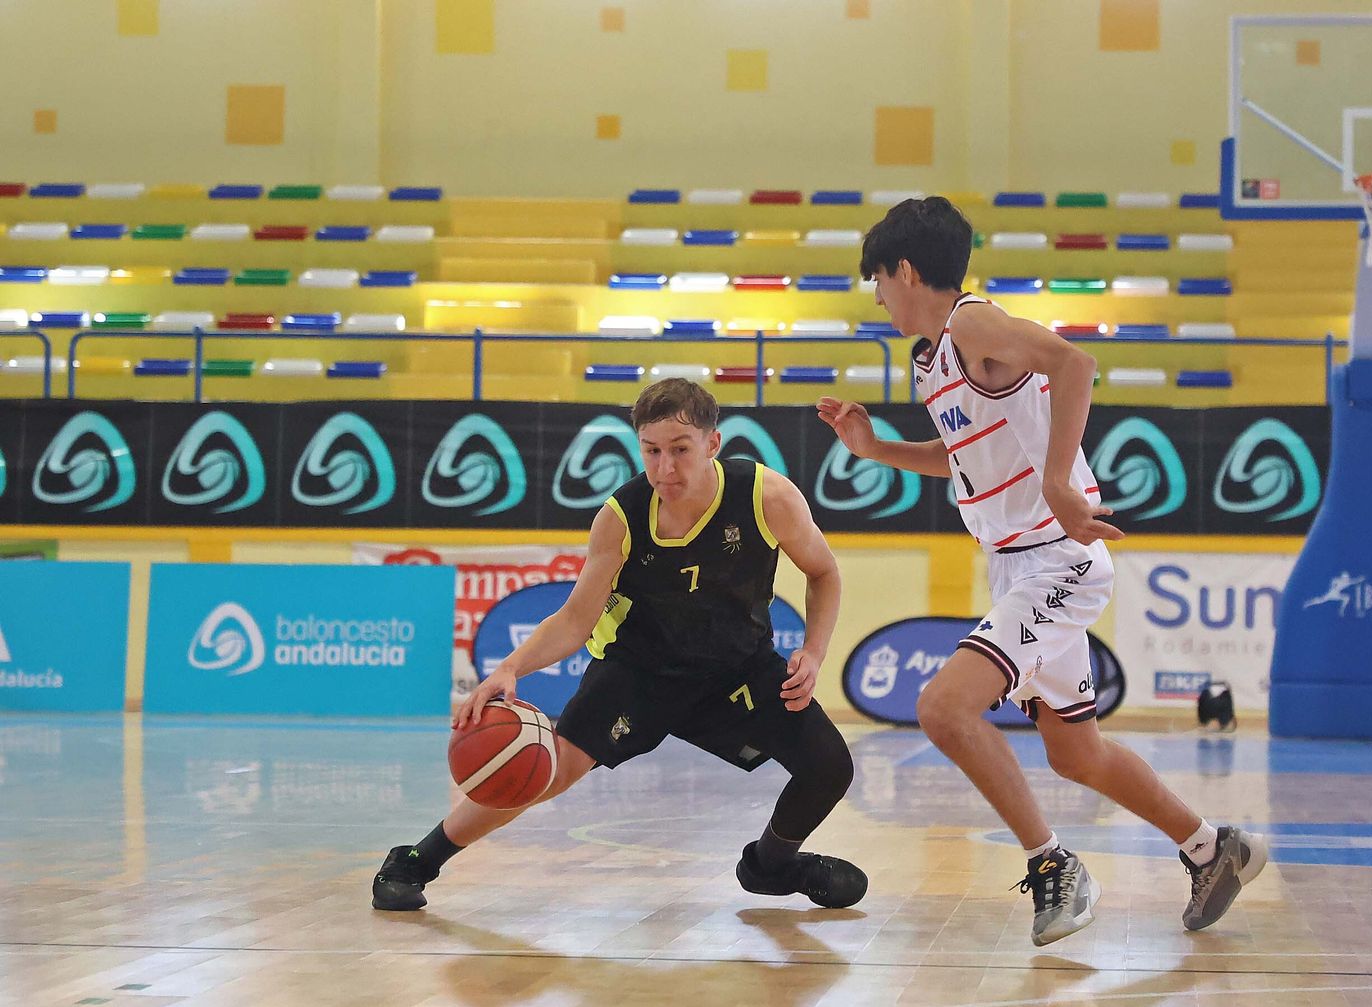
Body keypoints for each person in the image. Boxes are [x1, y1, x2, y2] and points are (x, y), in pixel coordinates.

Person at [817, 196, 1266, 946]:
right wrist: (875, 449)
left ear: (904, 268)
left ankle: (1054, 863)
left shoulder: (970, 324)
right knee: (1075, 750)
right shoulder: (931, 358)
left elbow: (1074, 361)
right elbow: (958, 457)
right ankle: (1210, 847)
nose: (878, 297)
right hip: (1016, 566)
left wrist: (1061, 480)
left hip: (1057, 558)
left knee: (943, 707)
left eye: (879, 281)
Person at [374, 379, 866, 912]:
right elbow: (575, 620)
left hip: (738, 668)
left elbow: (823, 572)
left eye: (680, 450)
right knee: (543, 769)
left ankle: (770, 867)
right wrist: (511, 668)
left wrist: (813, 652)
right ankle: (417, 860)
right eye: (651, 452)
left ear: (712, 445)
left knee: (829, 766)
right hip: (640, 671)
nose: (665, 469)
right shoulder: (621, 517)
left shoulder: (766, 496)